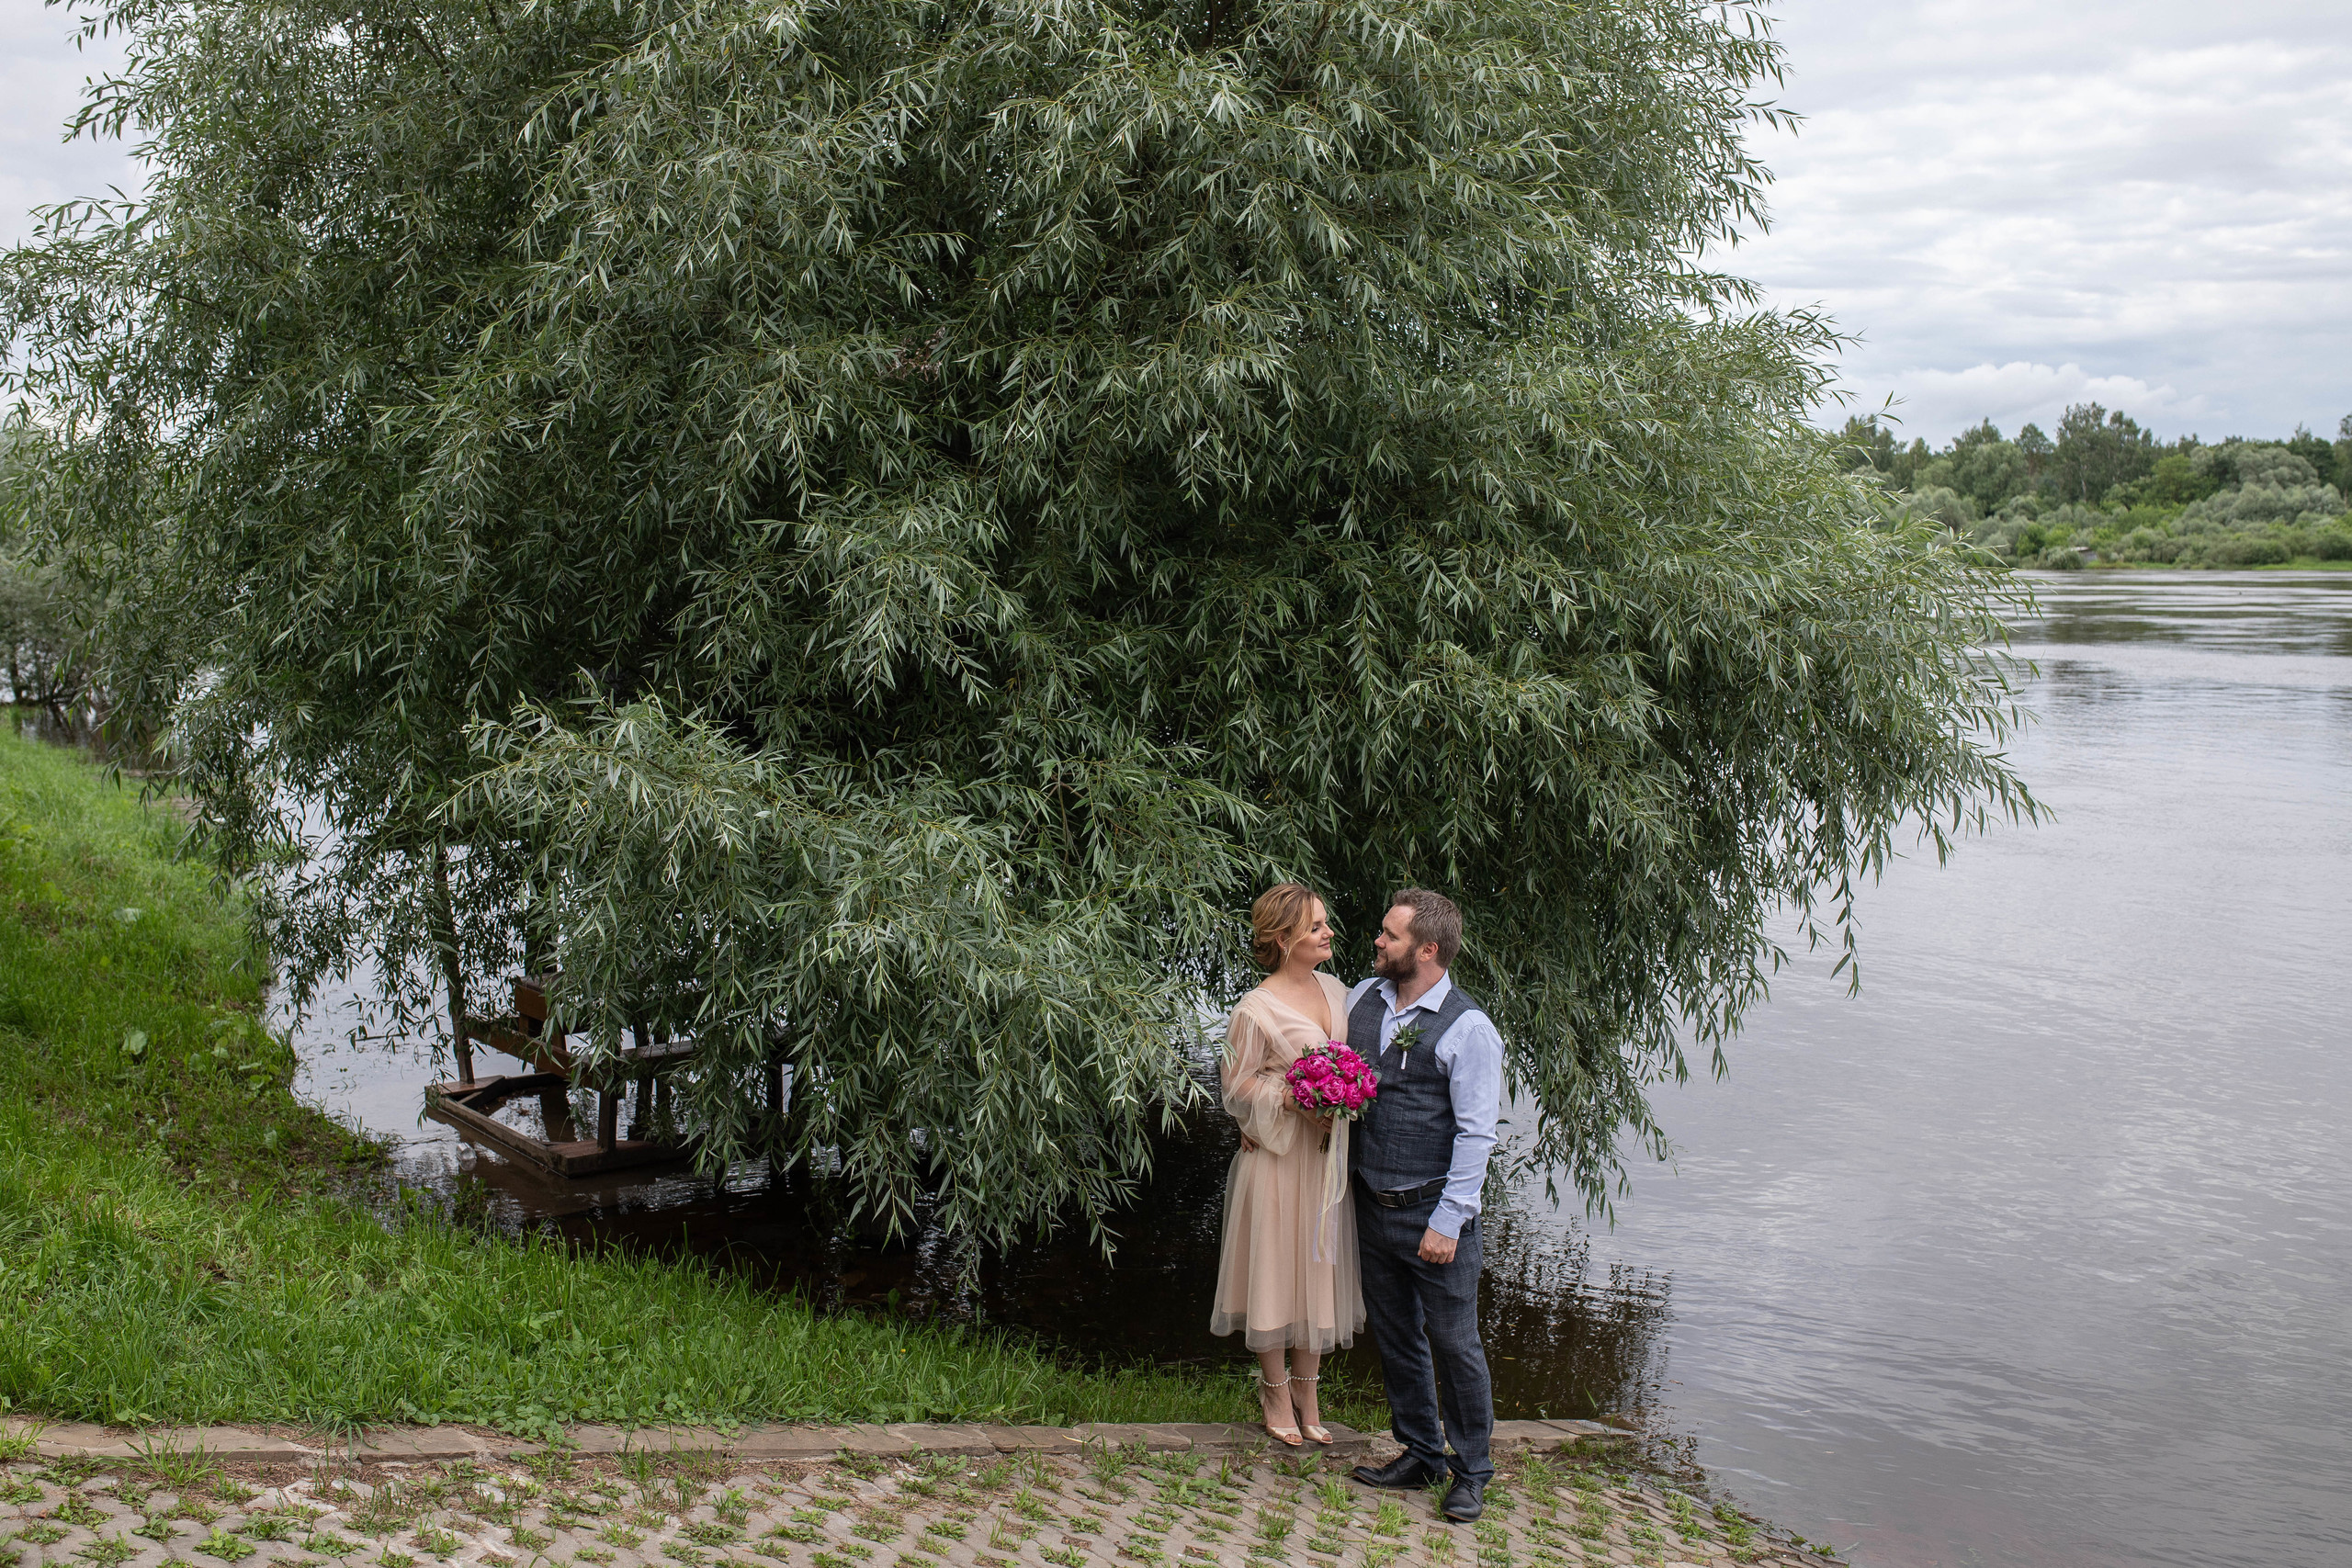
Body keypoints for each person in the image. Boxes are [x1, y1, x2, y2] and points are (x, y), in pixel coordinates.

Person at [1343, 887, 1504, 1522]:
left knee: (1455, 1342)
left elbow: (1477, 1133)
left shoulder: (1469, 1028)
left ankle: (1471, 1471)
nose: (1378, 941)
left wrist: (1447, 1221)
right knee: (1396, 1335)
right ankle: (1419, 1452)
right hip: (1370, 1202)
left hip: (1433, 1211)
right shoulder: (1364, 997)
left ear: (1427, 949)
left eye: (1390, 934)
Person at [1209, 883, 1366, 1445]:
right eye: (1317, 927)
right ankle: (1274, 1390)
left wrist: (1344, 1099)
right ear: (1284, 938)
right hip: (1278, 1159)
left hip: (1324, 1159)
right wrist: (1296, 1100)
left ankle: (1309, 1390)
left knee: (1316, 1269)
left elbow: (1354, 1062)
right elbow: (1235, 1085)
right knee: (1277, 1270)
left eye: (1325, 924)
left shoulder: (1336, 990)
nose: (1328, 933)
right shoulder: (1255, 1008)